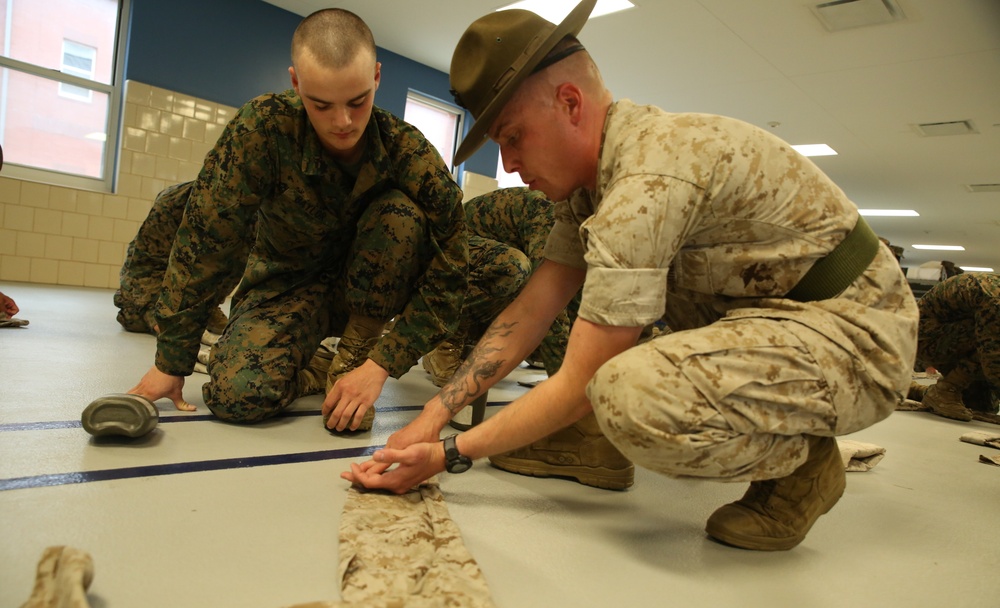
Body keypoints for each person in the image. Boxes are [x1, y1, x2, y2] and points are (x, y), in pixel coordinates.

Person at [342, 0, 919, 552]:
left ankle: (803, 467)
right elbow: (532, 309)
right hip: (777, 320)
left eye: (513, 137)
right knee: (613, 378)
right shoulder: (593, 184)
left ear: (570, 102)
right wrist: (433, 415)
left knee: (630, 399)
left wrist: (446, 455)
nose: (510, 165)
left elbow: (579, 381)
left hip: (859, 336)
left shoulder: (647, 183)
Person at [107, 8, 472, 434]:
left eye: (358, 102)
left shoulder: (409, 153)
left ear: (376, 76)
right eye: (321, 105)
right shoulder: (263, 129)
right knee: (238, 399)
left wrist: (379, 364)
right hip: (286, 286)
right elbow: (207, 240)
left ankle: (349, 358)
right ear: (296, 82)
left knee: (400, 214)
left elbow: (452, 267)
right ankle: (314, 367)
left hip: (372, 302)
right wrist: (172, 360)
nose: (343, 122)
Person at [422, 186, 576, 386]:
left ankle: (471, 340)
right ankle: (444, 341)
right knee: (513, 268)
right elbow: (548, 299)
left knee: (545, 311)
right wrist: (565, 385)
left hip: (478, 266)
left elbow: (576, 301)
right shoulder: (554, 217)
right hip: (443, 260)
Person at [113, 181, 239, 339]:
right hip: (156, 277)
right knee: (134, 317)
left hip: (194, 278)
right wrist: (154, 311)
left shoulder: (247, 208)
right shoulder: (172, 203)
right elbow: (144, 266)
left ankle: (205, 309)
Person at [915, 272, 1000, 420]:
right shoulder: (996, 298)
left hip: (952, 337)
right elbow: (993, 358)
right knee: (991, 340)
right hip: (926, 337)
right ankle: (945, 389)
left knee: (980, 407)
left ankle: (923, 391)